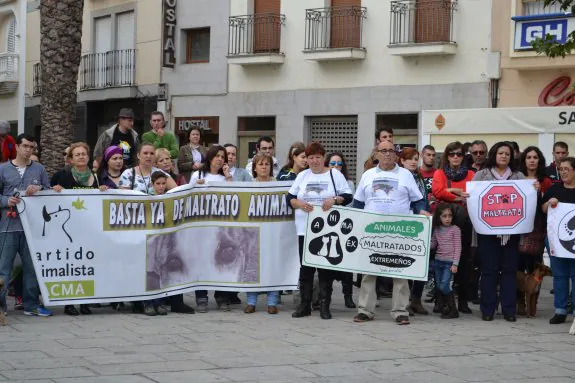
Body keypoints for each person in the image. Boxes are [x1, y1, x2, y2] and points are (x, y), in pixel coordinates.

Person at [352, 140, 425, 325]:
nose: (386, 154)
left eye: (390, 151)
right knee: (368, 272)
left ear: (396, 155)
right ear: (376, 154)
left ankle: (400, 311)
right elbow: (358, 203)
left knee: (400, 271)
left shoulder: (406, 175)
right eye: (383, 151)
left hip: (399, 231)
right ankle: (365, 310)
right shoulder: (368, 175)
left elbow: (417, 201)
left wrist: (422, 210)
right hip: (371, 230)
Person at [288, 142, 352, 320]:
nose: (314, 161)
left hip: (328, 229)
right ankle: (305, 305)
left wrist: (335, 199)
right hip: (304, 229)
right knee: (306, 269)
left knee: (325, 269)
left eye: (317, 157)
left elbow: (348, 196)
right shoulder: (302, 176)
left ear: (323, 158)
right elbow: (290, 198)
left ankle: (325, 305)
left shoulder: (334, 174)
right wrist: (299, 203)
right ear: (306, 159)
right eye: (310, 157)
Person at [472, 141, 530, 322]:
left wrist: (533, 190)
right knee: (488, 271)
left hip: (511, 233)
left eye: (507, 153)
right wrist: (469, 195)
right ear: (494, 155)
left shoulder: (519, 176)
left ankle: (508, 309)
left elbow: (527, 198)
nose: (504, 156)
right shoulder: (481, 175)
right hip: (487, 232)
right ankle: (488, 309)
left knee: (509, 271)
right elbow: (473, 198)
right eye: (501, 153)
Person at [0, 134, 53, 317]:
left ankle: (31, 305)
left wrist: (38, 190)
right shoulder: (3, 169)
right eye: (25, 146)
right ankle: (1, 306)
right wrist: (7, 200)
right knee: (4, 268)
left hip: (32, 228)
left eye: (31, 147)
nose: (29, 150)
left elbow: (50, 191)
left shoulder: (39, 169)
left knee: (32, 267)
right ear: (16, 147)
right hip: (8, 226)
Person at [51, 142, 100, 316]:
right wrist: (54, 189)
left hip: (88, 228)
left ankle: (85, 302)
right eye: (77, 155)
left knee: (87, 266)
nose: (81, 157)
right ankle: (69, 303)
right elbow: (48, 197)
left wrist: (102, 191)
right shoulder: (62, 175)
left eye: (83, 154)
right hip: (68, 229)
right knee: (71, 266)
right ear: (70, 159)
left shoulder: (95, 176)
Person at [189, 145, 235, 312]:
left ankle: (222, 297)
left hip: (221, 228)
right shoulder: (198, 175)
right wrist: (196, 185)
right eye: (217, 156)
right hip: (202, 227)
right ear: (209, 158)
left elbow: (235, 197)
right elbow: (188, 197)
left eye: (222, 157)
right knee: (201, 261)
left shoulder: (227, 178)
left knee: (222, 261)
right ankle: (201, 297)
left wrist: (229, 177)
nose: (220, 159)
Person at [432, 141, 475, 315]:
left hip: (465, 223)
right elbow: (438, 191)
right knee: (440, 262)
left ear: (464, 156)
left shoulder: (472, 174)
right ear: (446, 156)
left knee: (464, 262)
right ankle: (439, 301)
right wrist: (457, 194)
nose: (455, 157)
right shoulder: (440, 173)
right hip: (443, 222)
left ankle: (463, 301)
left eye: (459, 154)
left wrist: (450, 191)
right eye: (452, 154)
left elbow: (472, 194)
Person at [517, 146, 552, 316]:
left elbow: (548, 205)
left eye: (535, 157)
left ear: (539, 160)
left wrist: (541, 192)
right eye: (528, 157)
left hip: (537, 228)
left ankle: (533, 304)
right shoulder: (517, 178)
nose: (532, 160)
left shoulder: (545, 180)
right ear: (524, 160)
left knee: (535, 268)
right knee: (518, 267)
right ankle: (520, 304)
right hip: (518, 227)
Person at [244, 152, 280, 314]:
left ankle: (272, 301)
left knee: (273, 265)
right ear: (255, 168)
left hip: (272, 231)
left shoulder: (278, 184)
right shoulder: (248, 185)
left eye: (267, 164)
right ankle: (251, 301)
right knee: (252, 266)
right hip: (253, 232)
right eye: (261, 164)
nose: (264, 167)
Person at [543, 156, 575, 325]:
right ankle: (560, 310)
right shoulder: (555, 190)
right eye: (561, 169)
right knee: (560, 275)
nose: (563, 172)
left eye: (567, 169)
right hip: (556, 240)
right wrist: (549, 203)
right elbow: (542, 209)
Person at [399, 148, 431, 316]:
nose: (413, 162)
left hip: (419, 222)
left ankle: (416, 299)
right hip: (404, 222)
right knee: (405, 263)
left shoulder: (419, 177)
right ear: (402, 161)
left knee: (420, 262)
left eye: (415, 159)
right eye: (409, 159)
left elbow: (422, 199)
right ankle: (404, 301)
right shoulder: (399, 176)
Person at [325, 151, 356, 309]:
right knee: (328, 264)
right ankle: (325, 298)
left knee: (346, 265)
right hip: (326, 227)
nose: (336, 166)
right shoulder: (324, 180)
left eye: (339, 164)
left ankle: (348, 296)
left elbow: (351, 204)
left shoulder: (348, 183)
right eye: (332, 163)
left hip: (344, 227)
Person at [140, 171, 172, 316]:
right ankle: (148, 303)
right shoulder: (146, 198)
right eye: (158, 184)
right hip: (149, 240)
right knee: (149, 271)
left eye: (163, 183)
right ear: (152, 184)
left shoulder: (170, 197)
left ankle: (159, 302)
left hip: (163, 240)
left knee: (161, 270)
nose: (161, 186)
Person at [430, 203, 461, 319]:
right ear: (439, 217)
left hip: (449, 262)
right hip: (438, 261)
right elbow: (433, 244)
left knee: (444, 285)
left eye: (449, 216)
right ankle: (443, 306)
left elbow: (458, 247)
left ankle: (453, 309)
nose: (447, 219)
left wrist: (455, 263)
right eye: (444, 216)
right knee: (438, 284)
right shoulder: (437, 230)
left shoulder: (455, 230)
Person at [419, 145, 437, 211]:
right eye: (428, 155)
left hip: (437, 212)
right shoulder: (416, 173)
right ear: (422, 155)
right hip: (421, 211)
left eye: (433, 155)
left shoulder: (439, 174)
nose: (431, 157)